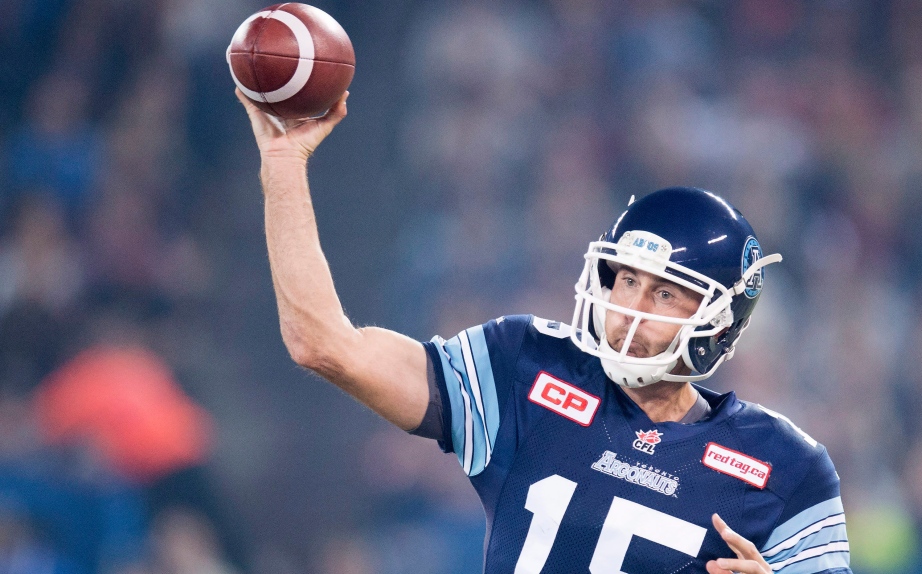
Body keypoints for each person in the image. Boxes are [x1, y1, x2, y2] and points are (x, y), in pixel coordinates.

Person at [236, 89, 853, 574]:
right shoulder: (526, 368)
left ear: (718, 321)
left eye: (664, 292)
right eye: (624, 282)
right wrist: (284, 162)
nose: (629, 308)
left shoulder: (787, 468)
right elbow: (322, 343)